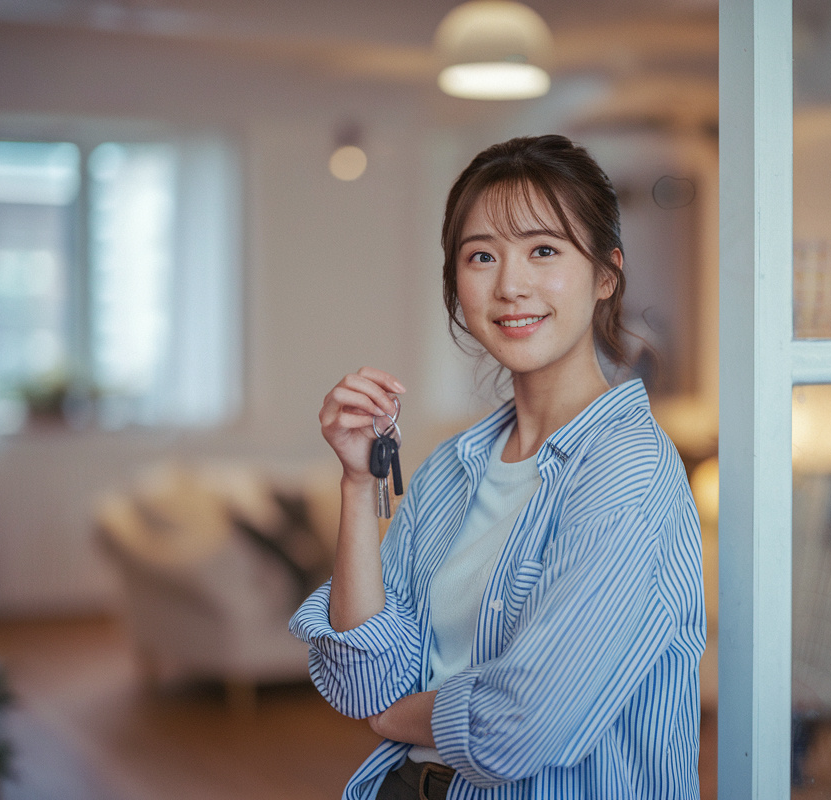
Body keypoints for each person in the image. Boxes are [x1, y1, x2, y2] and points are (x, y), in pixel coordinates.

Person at [290, 135, 707, 799]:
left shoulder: (628, 474)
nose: (511, 286)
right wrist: (356, 480)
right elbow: (363, 679)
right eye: (482, 256)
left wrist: (400, 716)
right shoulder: (455, 468)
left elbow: (517, 726)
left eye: (544, 250)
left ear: (606, 274)